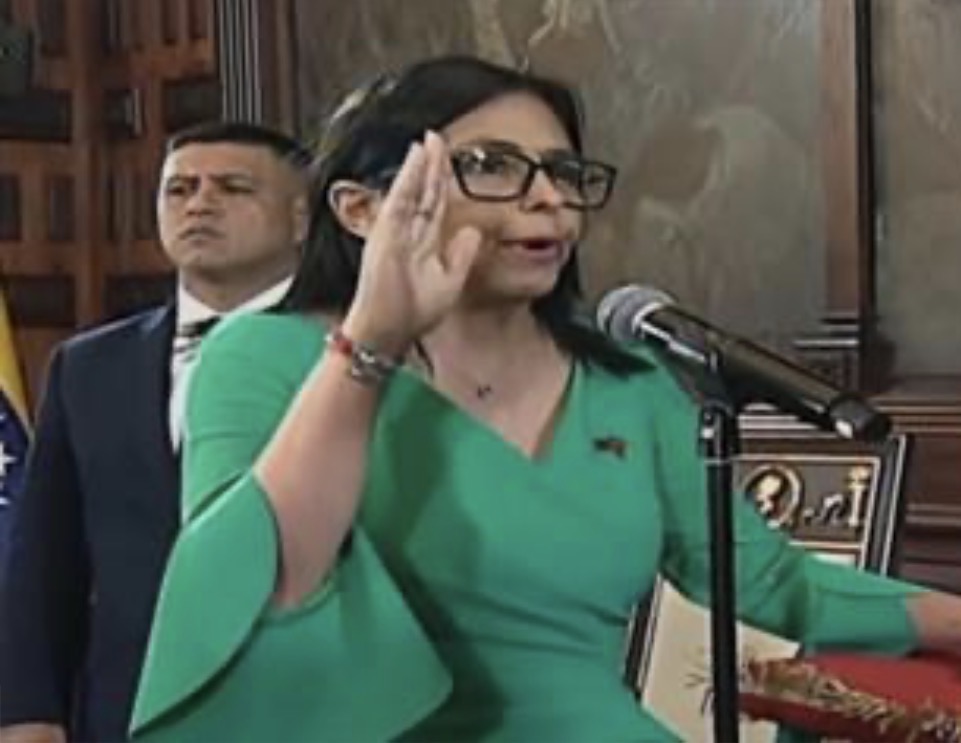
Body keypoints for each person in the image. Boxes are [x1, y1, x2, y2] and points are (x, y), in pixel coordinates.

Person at [130, 56, 961, 742]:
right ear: (361, 207)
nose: (548, 198)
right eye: (492, 166)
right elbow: (263, 587)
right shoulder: (265, 357)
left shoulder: (628, 381)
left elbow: (772, 581)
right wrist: (373, 339)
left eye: (564, 173)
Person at [0, 121, 310, 743]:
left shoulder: (350, 355)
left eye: (232, 188)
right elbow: (43, 563)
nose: (200, 204)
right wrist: (25, 714)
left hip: (306, 704)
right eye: (180, 189)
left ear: (301, 218)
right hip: (129, 711)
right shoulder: (89, 366)